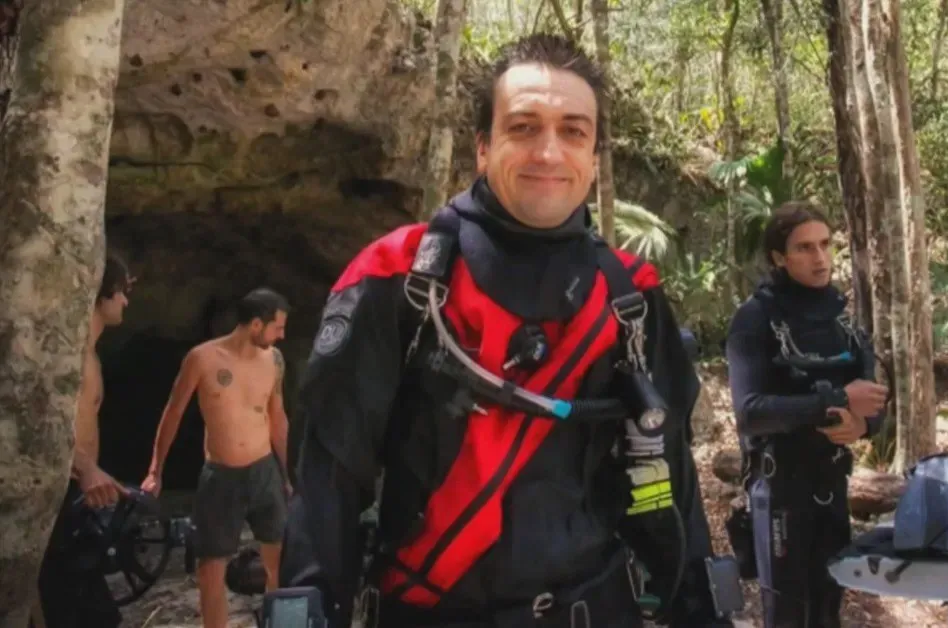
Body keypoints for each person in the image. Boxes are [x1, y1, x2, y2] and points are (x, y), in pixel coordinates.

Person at [277, 33, 739, 628]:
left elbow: (670, 474)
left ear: (593, 156)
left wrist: (701, 608)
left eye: (573, 131)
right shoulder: (397, 277)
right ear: (482, 146)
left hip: (595, 609)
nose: (549, 152)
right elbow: (329, 480)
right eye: (523, 127)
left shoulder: (631, 296)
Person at [725, 201, 888, 627]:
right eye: (804, 248)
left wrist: (861, 425)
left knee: (827, 610)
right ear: (779, 257)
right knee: (787, 614)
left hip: (831, 487)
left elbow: (874, 403)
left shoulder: (841, 321)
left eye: (825, 244)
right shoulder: (754, 319)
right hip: (780, 490)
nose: (820, 257)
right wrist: (835, 401)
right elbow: (749, 414)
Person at [141, 287, 292, 628]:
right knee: (210, 569)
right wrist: (155, 470)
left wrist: (288, 474)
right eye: (278, 327)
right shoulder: (203, 358)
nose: (282, 335)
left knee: (280, 560)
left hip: (264, 470)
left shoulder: (274, 360)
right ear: (256, 324)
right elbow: (173, 413)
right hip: (221, 475)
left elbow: (278, 417)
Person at [38, 252, 134, 628]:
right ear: (102, 292)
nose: (125, 301)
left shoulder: (91, 356)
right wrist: (86, 469)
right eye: (121, 291)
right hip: (55, 496)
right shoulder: (70, 357)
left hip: (76, 497)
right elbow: (45, 428)